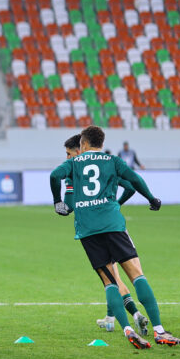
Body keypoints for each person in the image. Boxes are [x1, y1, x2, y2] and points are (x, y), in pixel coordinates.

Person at [50, 125, 180, 349]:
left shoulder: (73, 164)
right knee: (136, 275)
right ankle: (159, 331)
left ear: (83, 144)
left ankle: (128, 329)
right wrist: (151, 198)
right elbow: (134, 180)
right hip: (112, 224)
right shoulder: (112, 161)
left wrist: (57, 201)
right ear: (101, 143)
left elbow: (54, 175)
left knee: (110, 281)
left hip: (88, 230)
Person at [61, 134, 149, 334]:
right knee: (116, 276)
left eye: (68, 153)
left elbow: (69, 205)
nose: (67, 158)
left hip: (96, 230)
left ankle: (134, 315)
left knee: (111, 278)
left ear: (80, 150)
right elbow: (130, 186)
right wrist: (114, 205)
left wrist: (67, 208)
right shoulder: (104, 166)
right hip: (113, 225)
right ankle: (111, 317)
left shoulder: (74, 171)